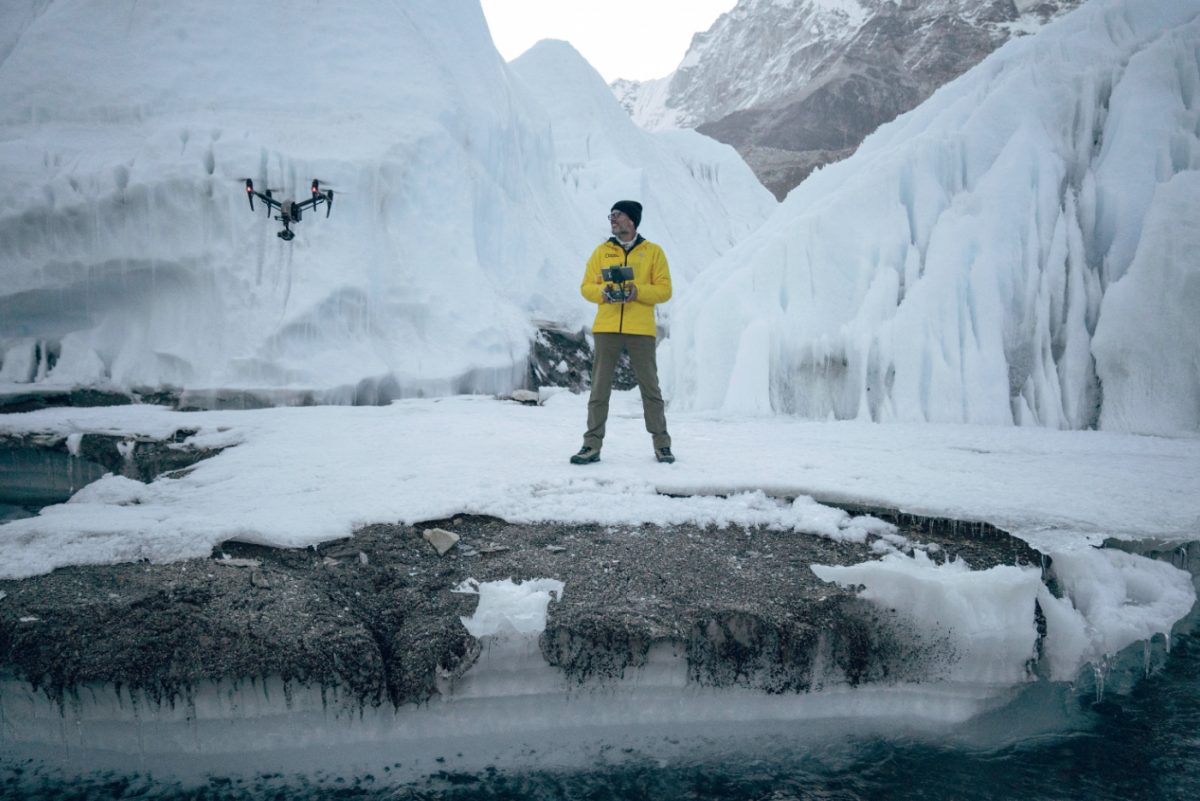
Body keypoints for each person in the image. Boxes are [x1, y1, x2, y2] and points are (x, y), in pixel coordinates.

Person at [571, 200, 675, 465]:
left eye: (617, 215)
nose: (612, 219)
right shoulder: (601, 252)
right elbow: (586, 287)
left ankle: (662, 444)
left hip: (640, 329)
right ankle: (591, 445)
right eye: (611, 215)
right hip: (606, 327)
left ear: (631, 220)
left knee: (651, 389)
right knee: (599, 389)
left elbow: (664, 290)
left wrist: (637, 292)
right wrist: (602, 293)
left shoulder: (653, 252)